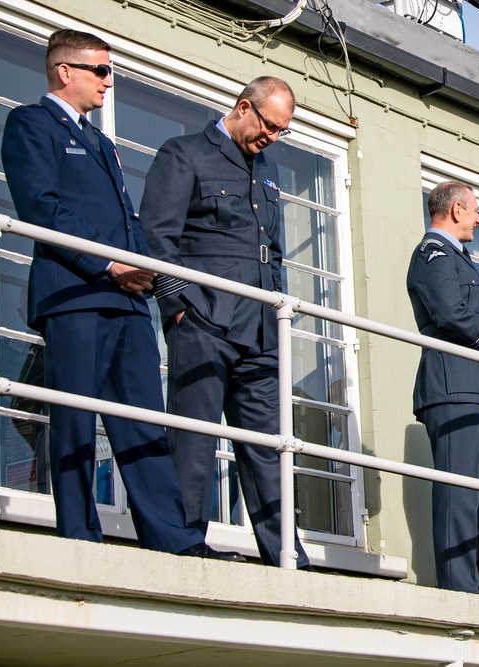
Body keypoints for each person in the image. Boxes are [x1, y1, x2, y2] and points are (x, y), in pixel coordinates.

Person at [0, 29, 239, 560]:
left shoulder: (104, 143)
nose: (110, 81)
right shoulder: (31, 123)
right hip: (76, 295)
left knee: (144, 424)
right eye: (101, 70)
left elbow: (128, 223)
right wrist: (108, 264)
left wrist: (148, 273)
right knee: (74, 418)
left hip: (128, 303)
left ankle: (175, 540)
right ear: (66, 71)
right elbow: (41, 207)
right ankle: (79, 536)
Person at [139, 76, 309, 569]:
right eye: (269, 126)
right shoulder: (186, 152)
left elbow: (271, 249)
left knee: (268, 445)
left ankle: (284, 553)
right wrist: (176, 307)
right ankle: (184, 544)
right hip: (205, 319)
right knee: (194, 437)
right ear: (243, 107)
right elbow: (158, 235)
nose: (272, 138)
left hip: (259, 328)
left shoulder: (269, 168)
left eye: (282, 131)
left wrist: (278, 308)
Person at [407, 181, 479, 594]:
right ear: (456, 210)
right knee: (459, 493)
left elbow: (461, 315)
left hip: (475, 386)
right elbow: (450, 313)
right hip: (454, 386)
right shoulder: (433, 253)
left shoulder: (455, 256)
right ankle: (460, 591)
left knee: (477, 498)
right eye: (474, 210)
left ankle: (477, 588)